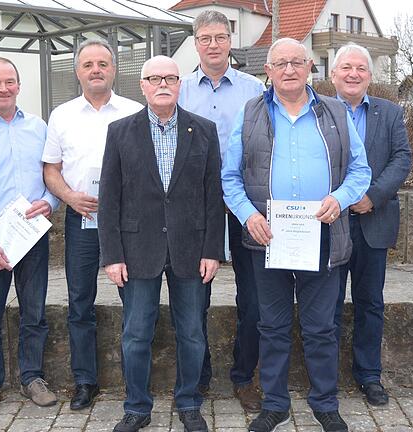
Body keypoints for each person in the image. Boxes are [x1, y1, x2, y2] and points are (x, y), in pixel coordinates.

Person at [222, 38, 371, 432]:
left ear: (309, 68)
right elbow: (230, 177)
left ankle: (325, 402)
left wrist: (340, 199)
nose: (289, 69)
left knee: (321, 327)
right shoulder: (249, 113)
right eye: (280, 63)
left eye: (296, 62)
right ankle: (274, 404)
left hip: (321, 236)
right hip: (267, 238)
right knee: (270, 326)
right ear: (267, 72)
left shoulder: (336, 112)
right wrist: (247, 215)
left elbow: (361, 170)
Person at [98, 55, 224, 432]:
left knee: (192, 332)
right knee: (136, 334)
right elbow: (110, 198)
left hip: (191, 249)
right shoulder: (120, 131)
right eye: (154, 78)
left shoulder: (204, 130)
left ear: (180, 83)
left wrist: (213, 250)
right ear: (143, 86)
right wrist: (112, 256)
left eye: (170, 77)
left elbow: (212, 196)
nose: (163, 84)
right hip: (137, 251)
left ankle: (188, 402)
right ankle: (137, 406)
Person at [42, 39, 143, 410]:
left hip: (127, 223)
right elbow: (50, 169)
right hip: (81, 218)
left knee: (134, 301)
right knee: (79, 302)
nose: (96, 69)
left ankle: (137, 382)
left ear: (113, 69)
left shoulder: (135, 111)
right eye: (88, 64)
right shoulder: (62, 115)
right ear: (77, 71)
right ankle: (85, 381)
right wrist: (68, 196)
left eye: (103, 63)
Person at [177, 9, 265, 411]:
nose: (213, 45)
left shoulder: (254, 90)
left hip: (245, 205)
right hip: (195, 208)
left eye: (220, 37)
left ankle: (244, 376)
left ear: (231, 41)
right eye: (205, 38)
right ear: (195, 44)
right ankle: (200, 375)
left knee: (255, 297)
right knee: (196, 296)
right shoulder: (180, 89)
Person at [0, 57, 59, 414]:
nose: (3, 88)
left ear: (19, 86)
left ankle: (32, 377)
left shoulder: (39, 127)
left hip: (32, 231)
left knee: (34, 312)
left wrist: (50, 202)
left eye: (9, 81)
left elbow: (52, 176)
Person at [330, 43, 411, 406]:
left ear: (370, 76)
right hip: (329, 224)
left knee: (370, 303)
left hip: (373, 221)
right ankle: (325, 376)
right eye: (346, 67)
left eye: (361, 68)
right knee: (326, 304)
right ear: (333, 74)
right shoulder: (317, 109)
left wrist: (373, 196)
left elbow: (401, 159)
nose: (353, 74)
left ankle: (369, 376)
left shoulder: (390, 112)